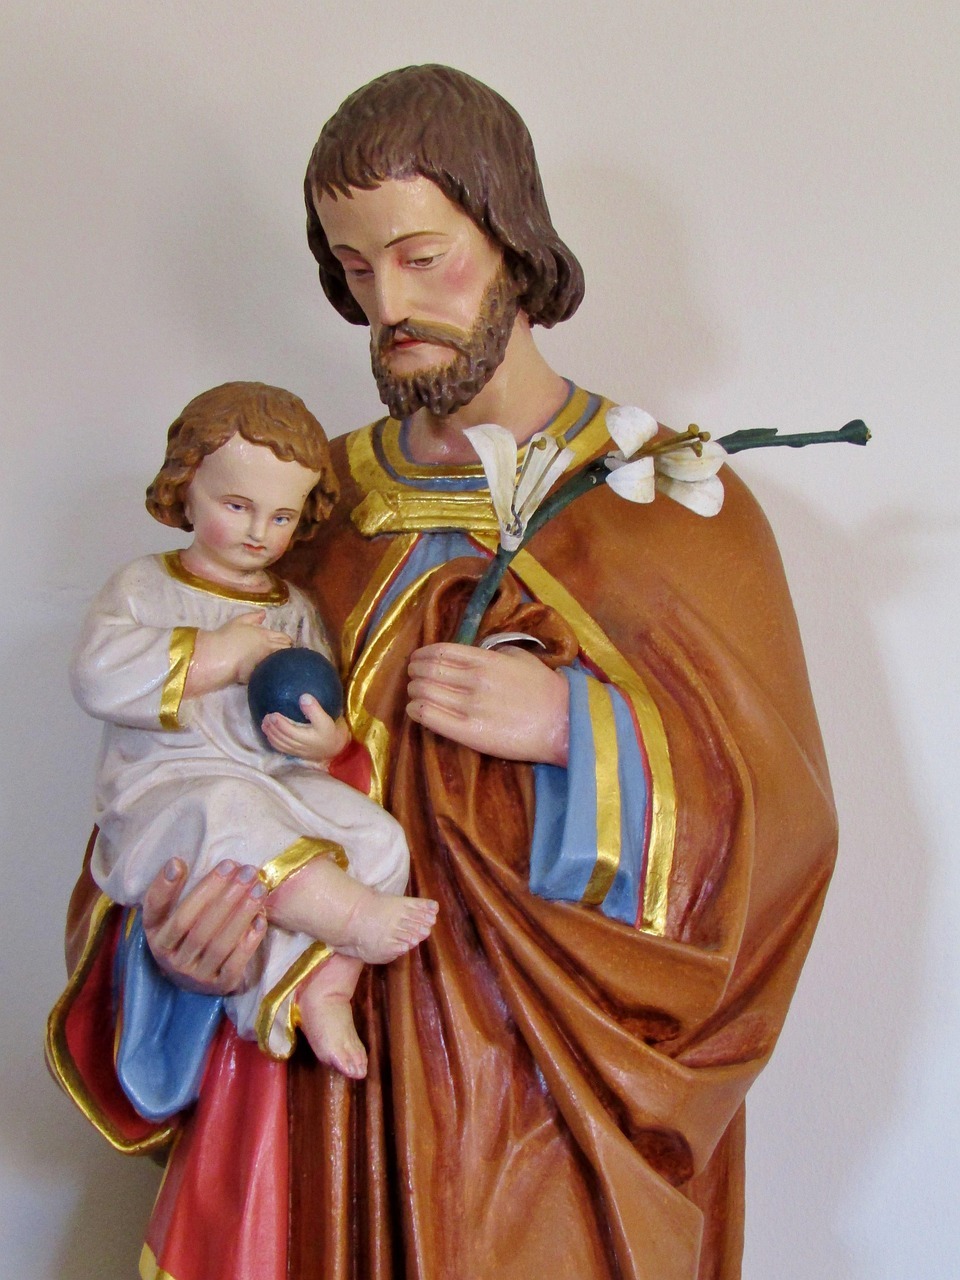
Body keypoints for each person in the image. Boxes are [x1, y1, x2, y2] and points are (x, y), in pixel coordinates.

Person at [49, 67, 838, 1280]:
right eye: (356, 269)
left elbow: (779, 827)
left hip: (542, 1133)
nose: (390, 305)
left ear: (514, 241)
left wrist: (576, 727)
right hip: (308, 1126)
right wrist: (181, 957)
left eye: (423, 257)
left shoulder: (668, 506)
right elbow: (162, 777)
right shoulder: (298, 515)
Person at [70, 380, 436, 1082]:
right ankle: (353, 920)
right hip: (170, 800)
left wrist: (326, 743)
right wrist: (220, 655)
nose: (258, 532)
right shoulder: (145, 587)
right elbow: (97, 675)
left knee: (376, 836)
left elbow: (321, 699)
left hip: (277, 780)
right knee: (230, 807)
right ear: (185, 489)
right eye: (236, 506)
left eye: (282, 516)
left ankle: (326, 990)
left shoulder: (293, 606)